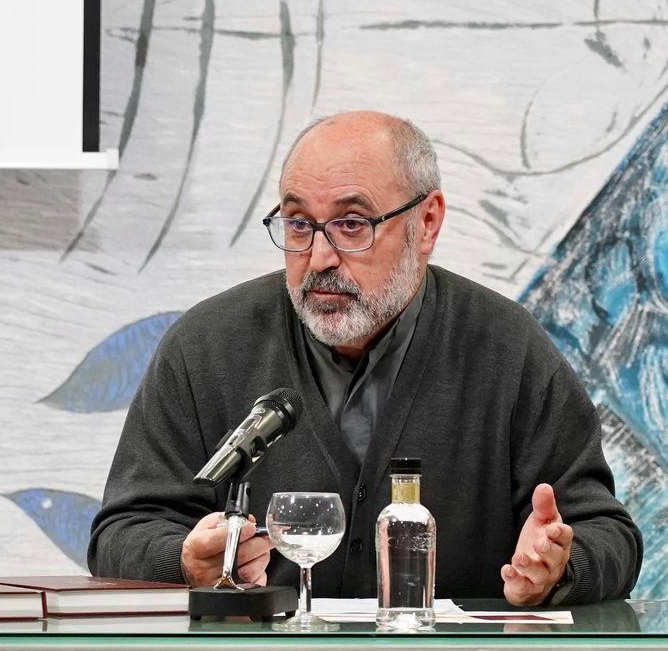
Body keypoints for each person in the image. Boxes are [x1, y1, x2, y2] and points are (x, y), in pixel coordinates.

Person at [88, 111, 642, 605]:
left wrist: (562, 567)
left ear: (426, 223)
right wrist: (183, 558)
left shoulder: (508, 349)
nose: (319, 257)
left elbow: (607, 533)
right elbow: (121, 531)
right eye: (299, 223)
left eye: (352, 224)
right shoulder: (206, 346)